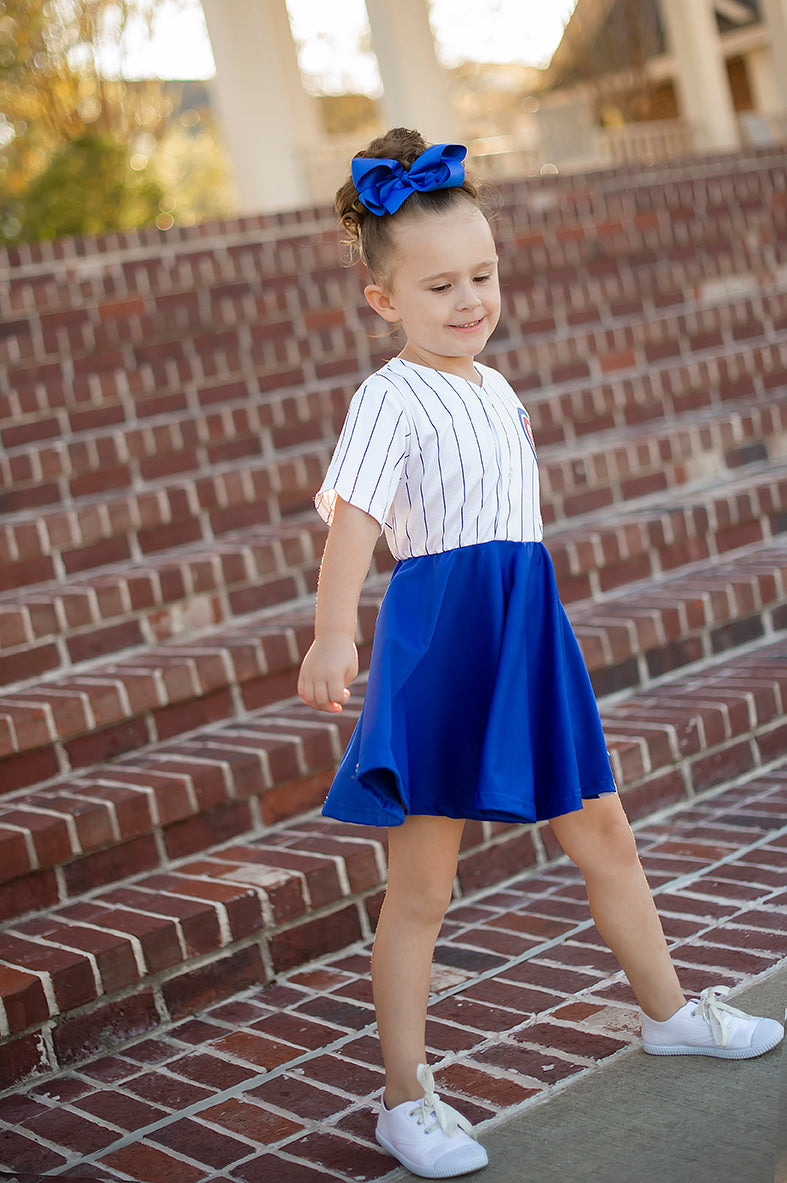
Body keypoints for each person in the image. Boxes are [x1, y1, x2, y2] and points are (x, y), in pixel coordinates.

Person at [297, 127, 784, 1179]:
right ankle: (403, 1097)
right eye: (438, 286)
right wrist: (336, 631)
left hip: (526, 625)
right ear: (384, 301)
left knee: (601, 824)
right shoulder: (390, 396)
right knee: (422, 882)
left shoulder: (495, 384)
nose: (468, 299)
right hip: (445, 639)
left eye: (482, 274)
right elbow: (354, 524)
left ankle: (664, 1010)